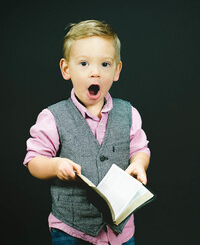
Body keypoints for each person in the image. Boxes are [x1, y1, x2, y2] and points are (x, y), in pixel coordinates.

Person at [23, 19, 150, 245]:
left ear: (117, 70)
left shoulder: (129, 113)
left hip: (120, 231)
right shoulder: (52, 117)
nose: (95, 73)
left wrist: (139, 163)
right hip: (72, 230)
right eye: (84, 64)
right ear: (66, 69)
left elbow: (140, 149)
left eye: (105, 64)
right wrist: (55, 165)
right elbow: (34, 160)